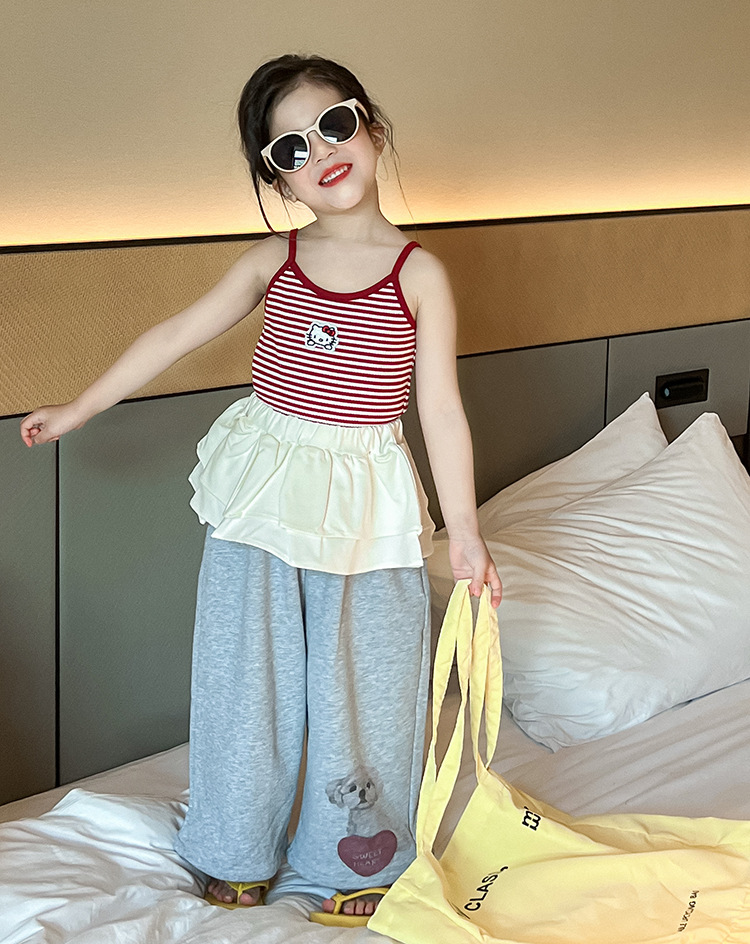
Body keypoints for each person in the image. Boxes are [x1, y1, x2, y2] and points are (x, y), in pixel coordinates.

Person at [20, 53, 502, 927]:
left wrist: (463, 530)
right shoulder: (273, 259)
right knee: (246, 675)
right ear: (279, 181)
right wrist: (80, 407)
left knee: (368, 688)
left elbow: (440, 407)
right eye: (291, 149)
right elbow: (175, 333)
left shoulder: (419, 274)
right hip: (266, 496)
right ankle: (234, 846)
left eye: (334, 124)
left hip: (365, 506)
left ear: (372, 127)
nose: (321, 151)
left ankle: (355, 855)